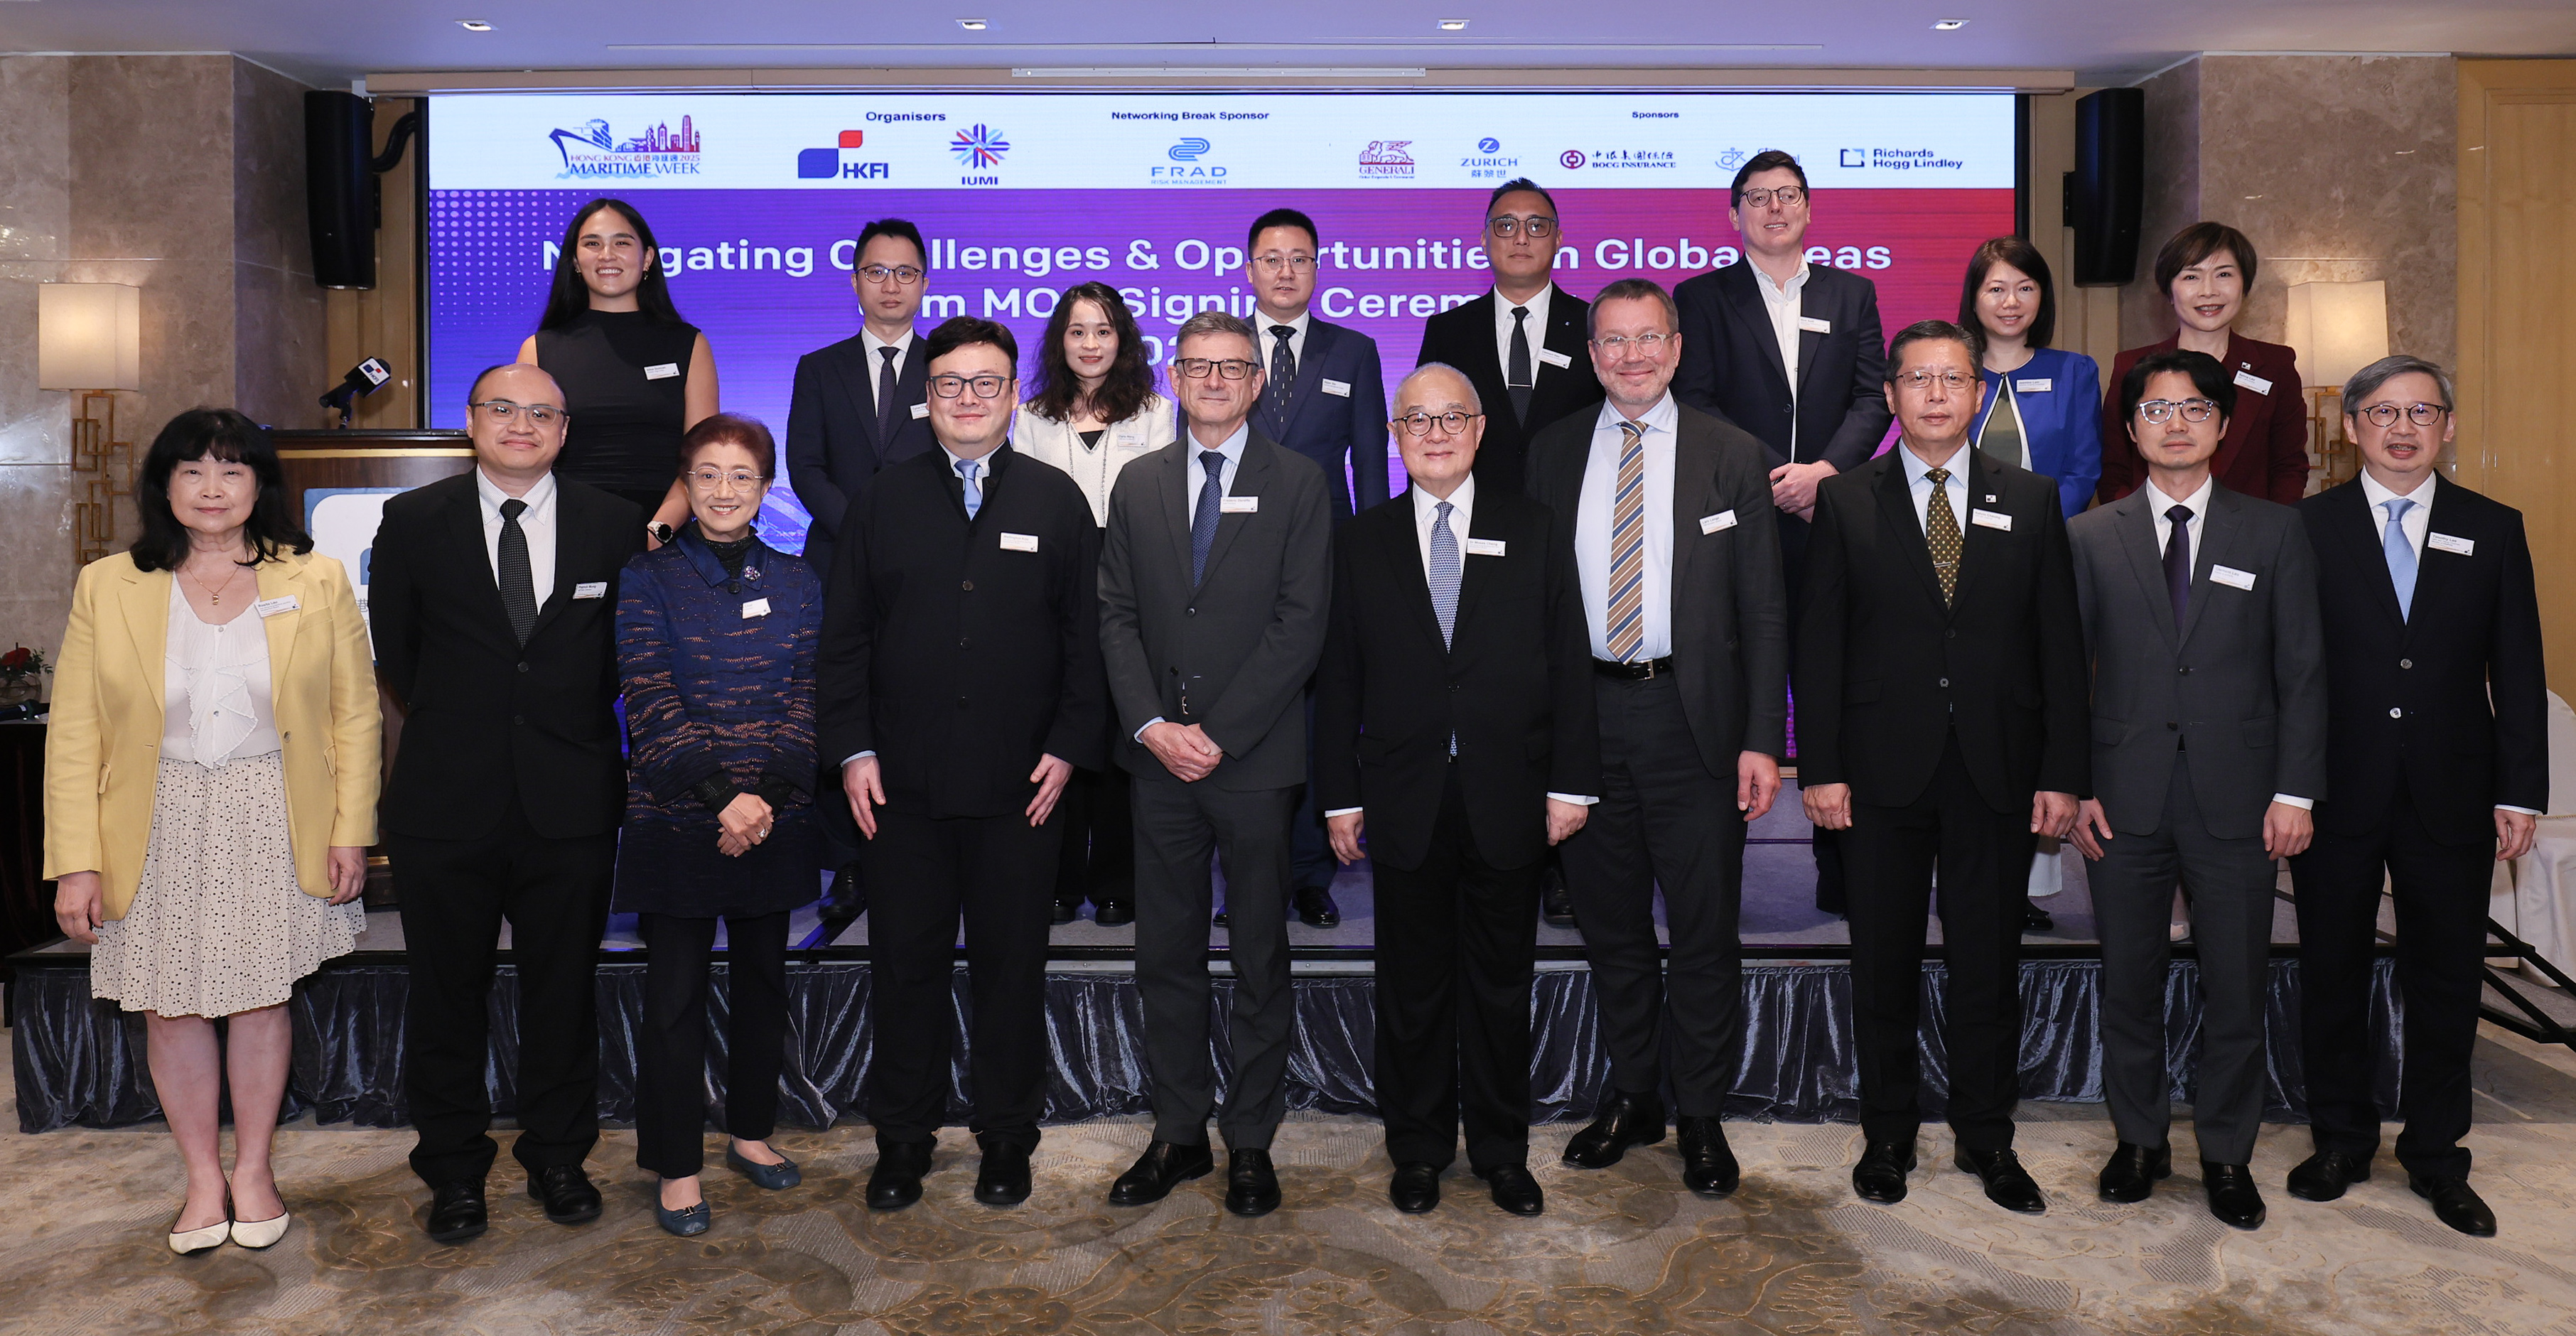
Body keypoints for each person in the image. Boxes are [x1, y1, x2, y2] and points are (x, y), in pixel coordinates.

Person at [45, 409, 377, 1255]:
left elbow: (354, 715)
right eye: (192, 471)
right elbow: (76, 730)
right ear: (165, 486)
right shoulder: (108, 582)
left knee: (263, 997)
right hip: (151, 818)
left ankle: (256, 1167)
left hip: (275, 806)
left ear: (259, 485)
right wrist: (75, 862)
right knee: (169, 1004)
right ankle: (201, 1177)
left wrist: (353, 831)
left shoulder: (317, 577)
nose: (213, 488)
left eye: (232, 471)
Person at [1798, 320, 2087, 1216]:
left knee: (1986, 963)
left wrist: (2063, 770)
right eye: (1916, 379)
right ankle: (1887, 1134)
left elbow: (2059, 649)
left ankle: (1985, 1135)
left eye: (1951, 379)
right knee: (1880, 959)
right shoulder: (1845, 499)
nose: (1933, 394)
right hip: (1879, 771)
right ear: (1889, 396)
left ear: (1975, 394)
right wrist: (1822, 766)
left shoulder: (2031, 498)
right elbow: (1820, 648)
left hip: (1996, 769)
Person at [824, 318, 1107, 1212]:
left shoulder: (1056, 499)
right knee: (902, 967)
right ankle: (902, 1139)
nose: (969, 398)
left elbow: (1087, 644)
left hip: (1022, 788)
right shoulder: (880, 498)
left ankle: (1005, 1135)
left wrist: (1068, 745)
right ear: (925, 396)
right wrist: (853, 749)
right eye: (951, 383)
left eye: (987, 382)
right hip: (897, 789)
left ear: (1014, 393)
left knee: (1010, 968)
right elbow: (844, 640)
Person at [1525, 279, 1791, 1197]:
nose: (1631, 357)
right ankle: (1637, 1094)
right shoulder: (1549, 455)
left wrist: (1765, 737)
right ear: (1592, 354)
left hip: (1697, 725)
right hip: (1585, 727)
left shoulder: (1731, 454)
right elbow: (1531, 616)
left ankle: (1703, 1114)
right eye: (1613, 342)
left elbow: (1763, 608)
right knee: (1612, 929)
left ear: (1675, 350)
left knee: (1705, 928)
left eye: (1648, 340)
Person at [1315, 364, 1600, 1217]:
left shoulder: (1536, 527)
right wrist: (1338, 796)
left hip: (1507, 792)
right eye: (1416, 421)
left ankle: (1502, 1151)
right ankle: (1418, 1147)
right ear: (1395, 437)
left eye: (1451, 418)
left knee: (1500, 984)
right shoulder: (1360, 540)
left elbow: (1568, 665)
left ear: (1479, 430)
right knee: (1410, 986)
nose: (1434, 433)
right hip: (1400, 795)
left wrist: (1571, 785)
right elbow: (1339, 679)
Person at [370, 362, 644, 1244]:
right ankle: (453, 1169)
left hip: (570, 798)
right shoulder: (413, 521)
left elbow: (619, 660)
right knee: (446, 991)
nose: (520, 424)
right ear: (471, 420)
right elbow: (399, 657)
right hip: (446, 797)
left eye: (540, 412)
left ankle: (558, 1156)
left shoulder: (612, 522)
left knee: (562, 991)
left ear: (564, 430)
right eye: (502, 408)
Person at [2067, 348, 2326, 1231]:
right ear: (2130, 429)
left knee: (2235, 984)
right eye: (2154, 409)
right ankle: (2136, 1140)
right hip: (2121, 799)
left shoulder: (2274, 531)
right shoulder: (2090, 534)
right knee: (2127, 982)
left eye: (2191, 409)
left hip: (2241, 801)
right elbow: (2069, 679)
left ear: (2221, 425)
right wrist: (2072, 787)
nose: (2173, 423)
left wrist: (2296, 790)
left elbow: (2302, 671)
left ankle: (2225, 1152)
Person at [2287, 355, 2545, 1237]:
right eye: (2383, 412)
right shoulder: (2306, 527)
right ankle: (2340, 1139)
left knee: (2445, 977)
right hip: (2334, 789)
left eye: (2422, 412)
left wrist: (2522, 790)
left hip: (2453, 791)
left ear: (2446, 427)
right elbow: (2286, 672)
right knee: (2331, 970)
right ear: (2350, 425)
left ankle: (2438, 1155)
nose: (2403, 428)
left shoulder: (2493, 526)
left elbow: (2516, 668)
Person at [1096, 308, 1332, 1218]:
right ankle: (1179, 1132)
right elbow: (1114, 613)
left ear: (1257, 380)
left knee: (1261, 956)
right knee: (1166, 953)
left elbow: (1300, 625)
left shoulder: (1301, 483)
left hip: (1254, 760)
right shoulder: (1139, 481)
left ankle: (1252, 1139)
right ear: (1174, 377)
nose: (1215, 380)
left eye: (1233, 367)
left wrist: (1220, 731)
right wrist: (1155, 724)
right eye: (1198, 365)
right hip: (1157, 763)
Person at [614, 414, 823, 1237]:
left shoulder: (801, 578)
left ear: (766, 488)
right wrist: (718, 798)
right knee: (674, 998)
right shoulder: (647, 575)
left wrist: (765, 795)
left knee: (764, 985)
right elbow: (648, 693)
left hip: (776, 813)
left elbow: (808, 692)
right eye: (707, 474)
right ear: (686, 484)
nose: (725, 490)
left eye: (741, 475)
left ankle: (750, 1131)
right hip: (678, 815)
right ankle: (676, 1162)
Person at [1671, 149, 1892, 917]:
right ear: (1733, 213)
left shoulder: (1852, 293)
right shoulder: (1699, 299)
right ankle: (1715, 877)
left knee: (1834, 691)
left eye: (1787, 195)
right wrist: (1780, 478)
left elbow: (1874, 397)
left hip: (1834, 518)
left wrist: (1824, 473)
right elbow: (1696, 400)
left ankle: (1843, 873)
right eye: (1757, 197)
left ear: (1808, 207)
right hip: (1744, 517)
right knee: (1738, 695)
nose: (1774, 208)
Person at [786, 217, 939, 931]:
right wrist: (863, 533)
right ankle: (846, 859)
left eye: (905, 272)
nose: (890, 285)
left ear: (925, 283)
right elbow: (805, 466)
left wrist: (901, 538)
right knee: (839, 700)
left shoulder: (949, 364)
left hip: (931, 564)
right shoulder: (820, 367)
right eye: (877, 271)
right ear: (855, 281)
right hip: (837, 561)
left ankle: (915, 851)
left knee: (916, 698)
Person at [1241, 206, 1390, 929]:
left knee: (1313, 719)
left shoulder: (1353, 351)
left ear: (1317, 267)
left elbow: (1369, 464)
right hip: (1234, 565)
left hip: (1325, 562)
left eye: (1299, 257)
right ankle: (1248, 874)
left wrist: (1375, 564)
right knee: (1238, 712)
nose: (1285, 270)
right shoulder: (1220, 347)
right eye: (1272, 258)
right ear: (1250, 268)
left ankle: (1308, 873)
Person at [1013, 281, 1176, 928]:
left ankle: (1116, 884)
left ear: (1123, 340)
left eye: (1103, 331)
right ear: (1060, 340)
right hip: (1052, 585)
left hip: (1130, 585)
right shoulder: (1030, 415)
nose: (1089, 344)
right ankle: (1058, 881)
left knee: (1119, 740)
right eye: (1077, 331)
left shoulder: (1155, 411)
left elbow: (1160, 508)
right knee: (1060, 733)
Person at [1958, 235, 2106, 931]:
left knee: (2028, 721)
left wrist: (2031, 535)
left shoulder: (2073, 371)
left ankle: (2023, 876)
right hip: (1952, 565)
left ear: (2042, 297)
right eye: (1995, 288)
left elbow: (2082, 469)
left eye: (2023, 287)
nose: (2009, 301)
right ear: (1974, 298)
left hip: (2043, 563)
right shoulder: (1951, 370)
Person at [519, 197, 716, 543]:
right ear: (576, 262)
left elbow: (703, 459)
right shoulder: (538, 349)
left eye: (621, 242)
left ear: (648, 259)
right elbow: (527, 456)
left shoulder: (690, 345)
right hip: (566, 536)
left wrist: (658, 533)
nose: (606, 255)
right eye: (592, 244)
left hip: (667, 537)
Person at [1411, 178, 1605, 496]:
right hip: (1477, 513)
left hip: (1575, 509)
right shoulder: (1448, 331)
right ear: (1484, 240)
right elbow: (1422, 431)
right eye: (1505, 225)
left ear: (1558, 239)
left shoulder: (1593, 324)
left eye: (1537, 226)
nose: (1521, 238)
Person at [2096, 222, 2307, 506]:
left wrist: (2270, 532)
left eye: (2223, 275)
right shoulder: (2132, 366)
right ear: (2169, 290)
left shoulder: (2275, 365)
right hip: (2153, 533)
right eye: (2191, 277)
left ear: (2245, 284)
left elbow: (2289, 465)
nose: (2208, 291)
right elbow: (2114, 467)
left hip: (2251, 534)